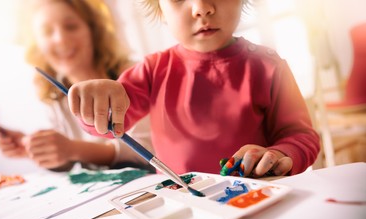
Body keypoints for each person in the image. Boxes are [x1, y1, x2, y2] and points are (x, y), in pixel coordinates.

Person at [67, 0, 320, 178]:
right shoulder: (152, 70)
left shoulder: (269, 66)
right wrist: (96, 104)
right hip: (183, 207)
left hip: (257, 200)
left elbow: (301, 137)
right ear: (161, 10)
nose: (202, 8)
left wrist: (278, 155)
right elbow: (110, 125)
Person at [0, 0, 154, 172]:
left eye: (71, 26)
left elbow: (149, 150)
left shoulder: (135, 76)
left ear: (93, 31)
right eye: (47, 32)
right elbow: (71, 160)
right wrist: (34, 148)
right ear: (37, 45)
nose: (60, 39)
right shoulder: (55, 94)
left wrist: (72, 149)